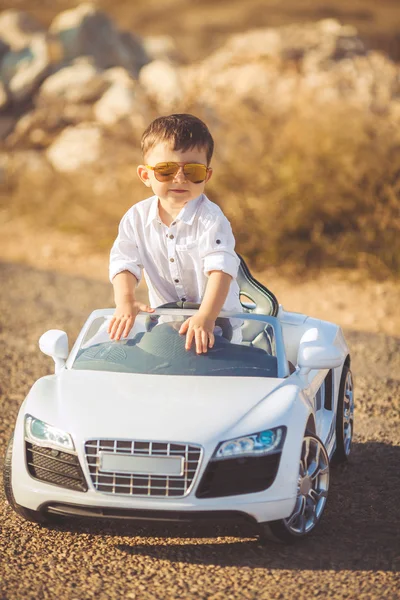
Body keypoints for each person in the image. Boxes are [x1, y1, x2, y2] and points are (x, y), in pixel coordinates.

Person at [108, 113, 242, 354]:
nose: (179, 178)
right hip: (167, 323)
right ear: (145, 175)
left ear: (207, 176)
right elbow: (124, 261)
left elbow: (220, 270)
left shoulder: (211, 219)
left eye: (193, 171)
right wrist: (125, 300)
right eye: (166, 170)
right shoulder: (136, 217)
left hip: (219, 325)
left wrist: (206, 316)